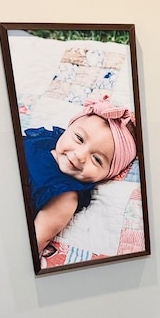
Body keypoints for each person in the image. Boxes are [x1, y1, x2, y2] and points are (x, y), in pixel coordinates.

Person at [23, 94, 137, 255]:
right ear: (69, 128)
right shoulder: (41, 142)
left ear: (108, 174)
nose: (79, 155)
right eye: (79, 138)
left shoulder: (64, 195)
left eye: (97, 159)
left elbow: (33, 244)